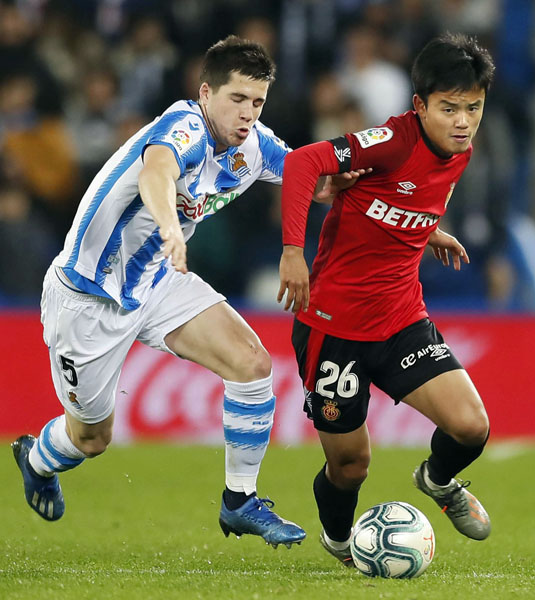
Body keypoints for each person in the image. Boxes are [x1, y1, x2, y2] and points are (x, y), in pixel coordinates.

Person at [12, 35, 329, 548]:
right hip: (90, 296)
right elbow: (157, 172)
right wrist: (168, 226)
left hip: (158, 278)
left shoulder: (254, 146)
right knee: (91, 438)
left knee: (251, 363)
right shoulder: (184, 127)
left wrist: (414, 222)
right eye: (237, 98)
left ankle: (240, 501)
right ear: (206, 93)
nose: (247, 113)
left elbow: (316, 180)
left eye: (257, 102)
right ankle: (36, 459)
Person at [277, 33, 495, 565]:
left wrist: (427, 230)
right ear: (420, 105)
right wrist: (292, 251)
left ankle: (437, 480)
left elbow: (398, 196)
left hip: (400, 319)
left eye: (473, 108)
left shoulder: (459, 151)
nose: (463, 121)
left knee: (471, 426)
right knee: (351, 466)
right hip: (334, 326)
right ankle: (338, 540)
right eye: (449, 108)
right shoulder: (392, 140)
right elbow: (303, 163)